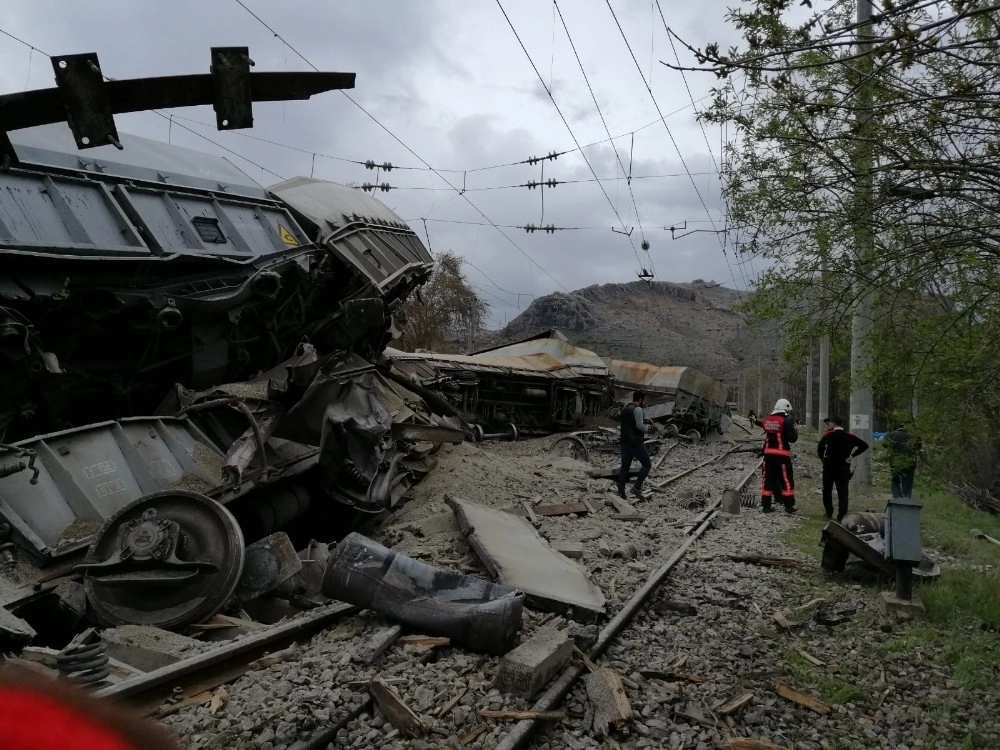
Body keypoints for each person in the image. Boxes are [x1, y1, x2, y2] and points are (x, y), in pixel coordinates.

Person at [817, 415, 870, 521]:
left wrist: (822, 458)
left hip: (829, 467)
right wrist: (852, 455)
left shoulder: (829, 435)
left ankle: (829, 512)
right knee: (843, 492)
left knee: (827, 490)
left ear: (834, 423)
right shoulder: (850, 436)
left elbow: (820, 447)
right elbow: (864, 445)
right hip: (843, 467)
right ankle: (842, 515)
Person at [760, 398, 798, 513]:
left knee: (767, 480)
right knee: (786, 480)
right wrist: (795, 429)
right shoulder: (787, 420)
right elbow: (792, 439)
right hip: (782, 456)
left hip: (768, 455)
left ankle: (766, 506)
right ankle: (789, 506)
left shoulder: (767, 419)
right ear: (786, 408)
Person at [617, 389, 652, 500]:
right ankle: (636, 487)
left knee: (624, 468)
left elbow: (628, 423)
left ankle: (621, 493)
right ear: (640, 399)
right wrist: (647, 428)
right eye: (644, 399)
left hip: (624, 443)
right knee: (647, 464)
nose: (645, 401)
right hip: (635, 443)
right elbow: (639, 426)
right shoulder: (638, 409)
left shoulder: (625, 408)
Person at [883, 423, 921, 498]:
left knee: (895, 479)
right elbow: (918, 447)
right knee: (907, 481)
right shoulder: (915, 436)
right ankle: (906, 498)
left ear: (898, 427)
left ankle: (897, 498)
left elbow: (885, 445)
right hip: (909, 462)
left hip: (895, 462)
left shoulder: (891, 435)